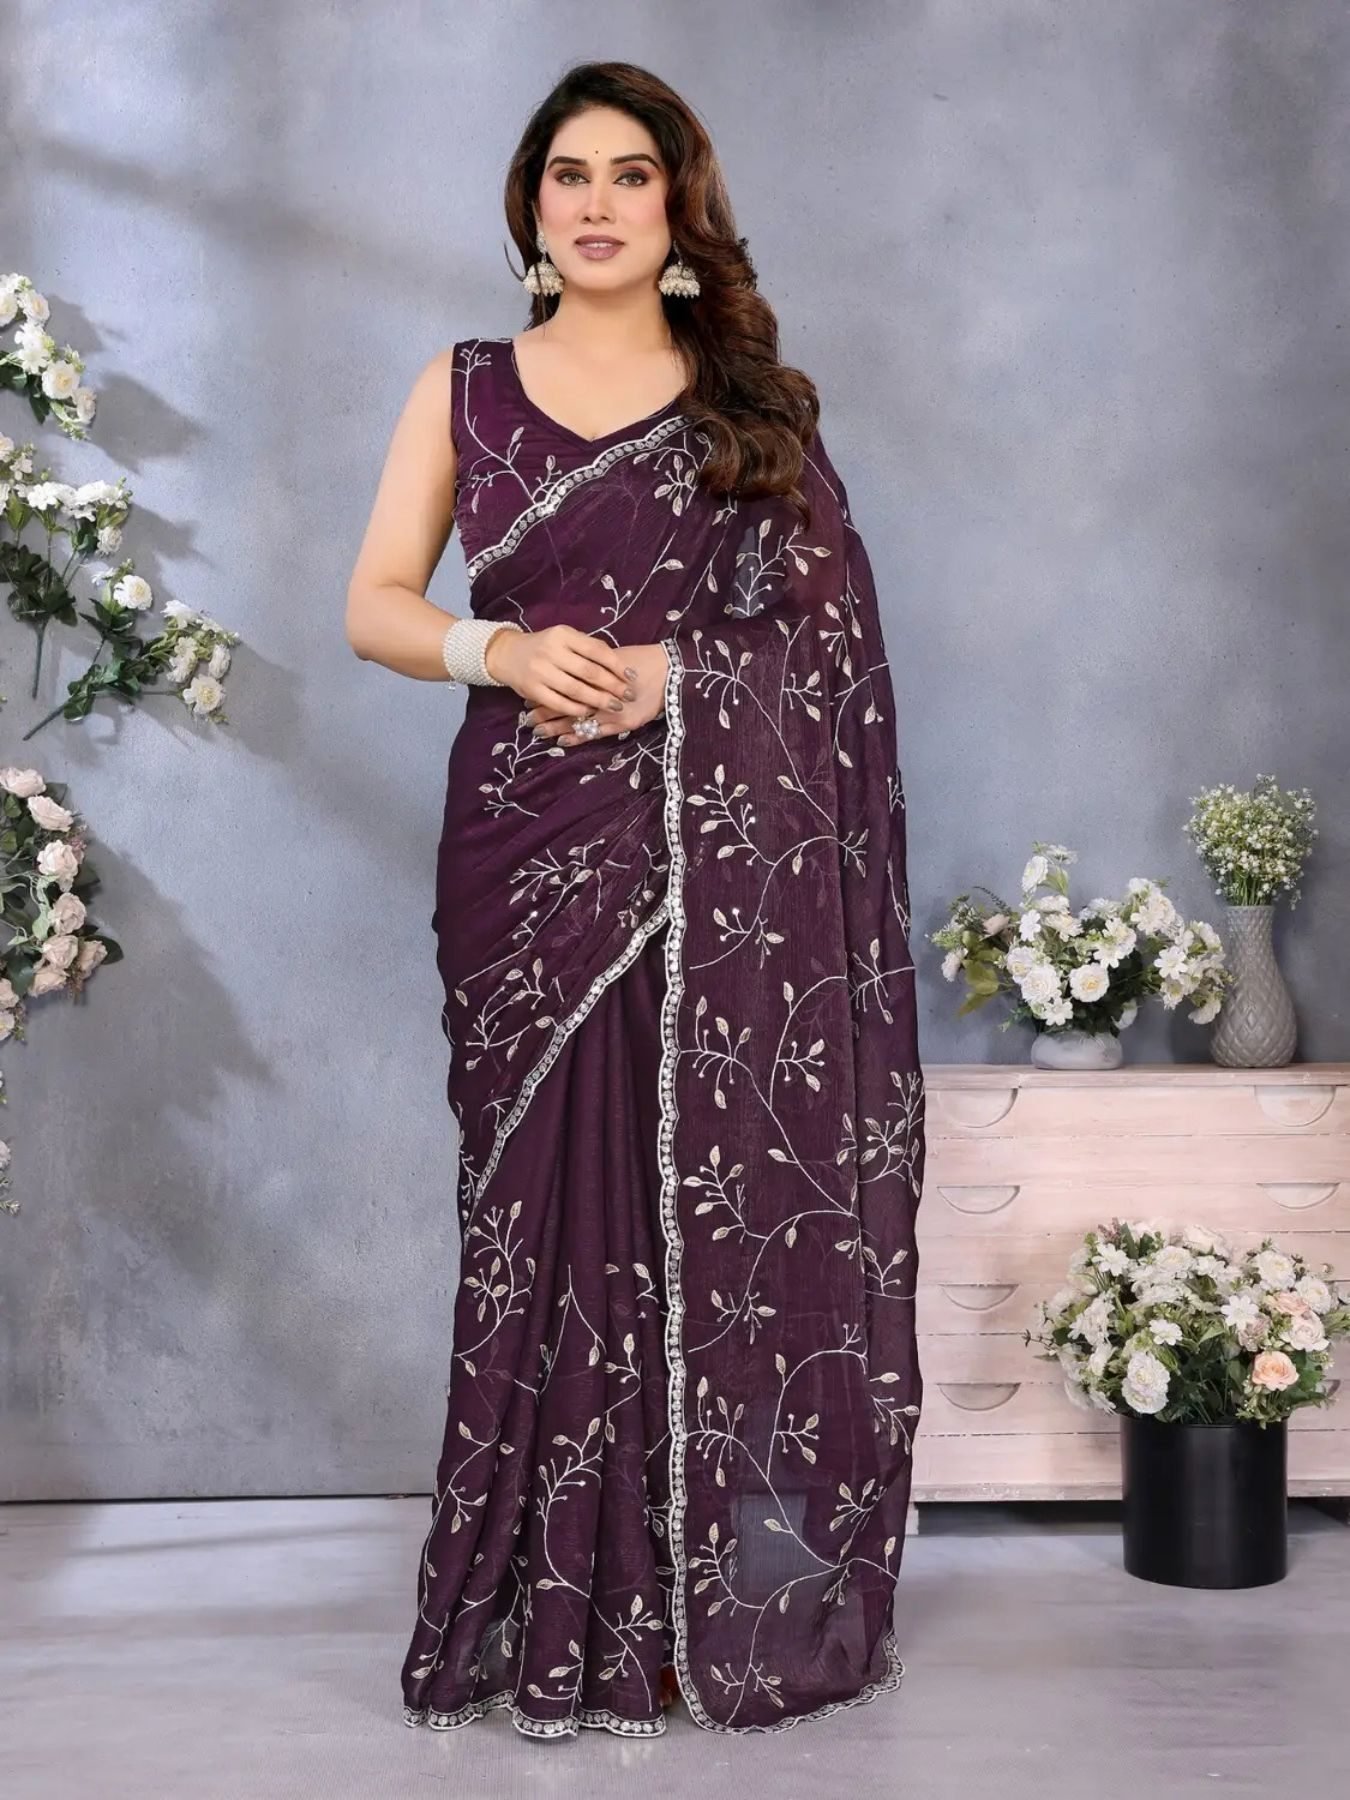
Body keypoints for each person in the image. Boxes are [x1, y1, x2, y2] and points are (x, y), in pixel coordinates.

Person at [345, 59, 926, 1742]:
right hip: (522, 849)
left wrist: (683, 680)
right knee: (537, 1223)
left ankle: (685, 1608)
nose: (595, 203)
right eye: (567, 174)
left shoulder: (749, 408)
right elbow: (375, 603)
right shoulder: (464, 385)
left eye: (629, 175)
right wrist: (500, 648)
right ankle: (539, 1607)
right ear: (531, 206)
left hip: (703, 867)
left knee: (696, 1209)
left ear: (678, 209)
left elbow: (827, 656)